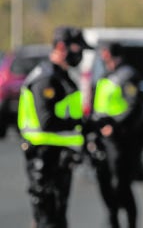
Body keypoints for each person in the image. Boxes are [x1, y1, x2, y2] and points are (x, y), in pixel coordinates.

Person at [17, 26, 92, 228]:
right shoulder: (47, 78)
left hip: (59, 156)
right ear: (61, 46)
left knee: (57, 217)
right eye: (77, 49)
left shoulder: (62, 76)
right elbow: (46, 121)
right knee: (48, 218)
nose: (81, 55)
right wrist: (79, 124)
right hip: (44, 156)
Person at [87, 42, 142, 228]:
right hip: (102, 137)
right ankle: (113, 221)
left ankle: (130, 223)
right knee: (104, 182)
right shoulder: (105, 77)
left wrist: (115, 126)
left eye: (106, 54)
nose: (103, 58)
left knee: (121, 184)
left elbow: (134, 105)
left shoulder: (127, 75)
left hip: (120, 139)